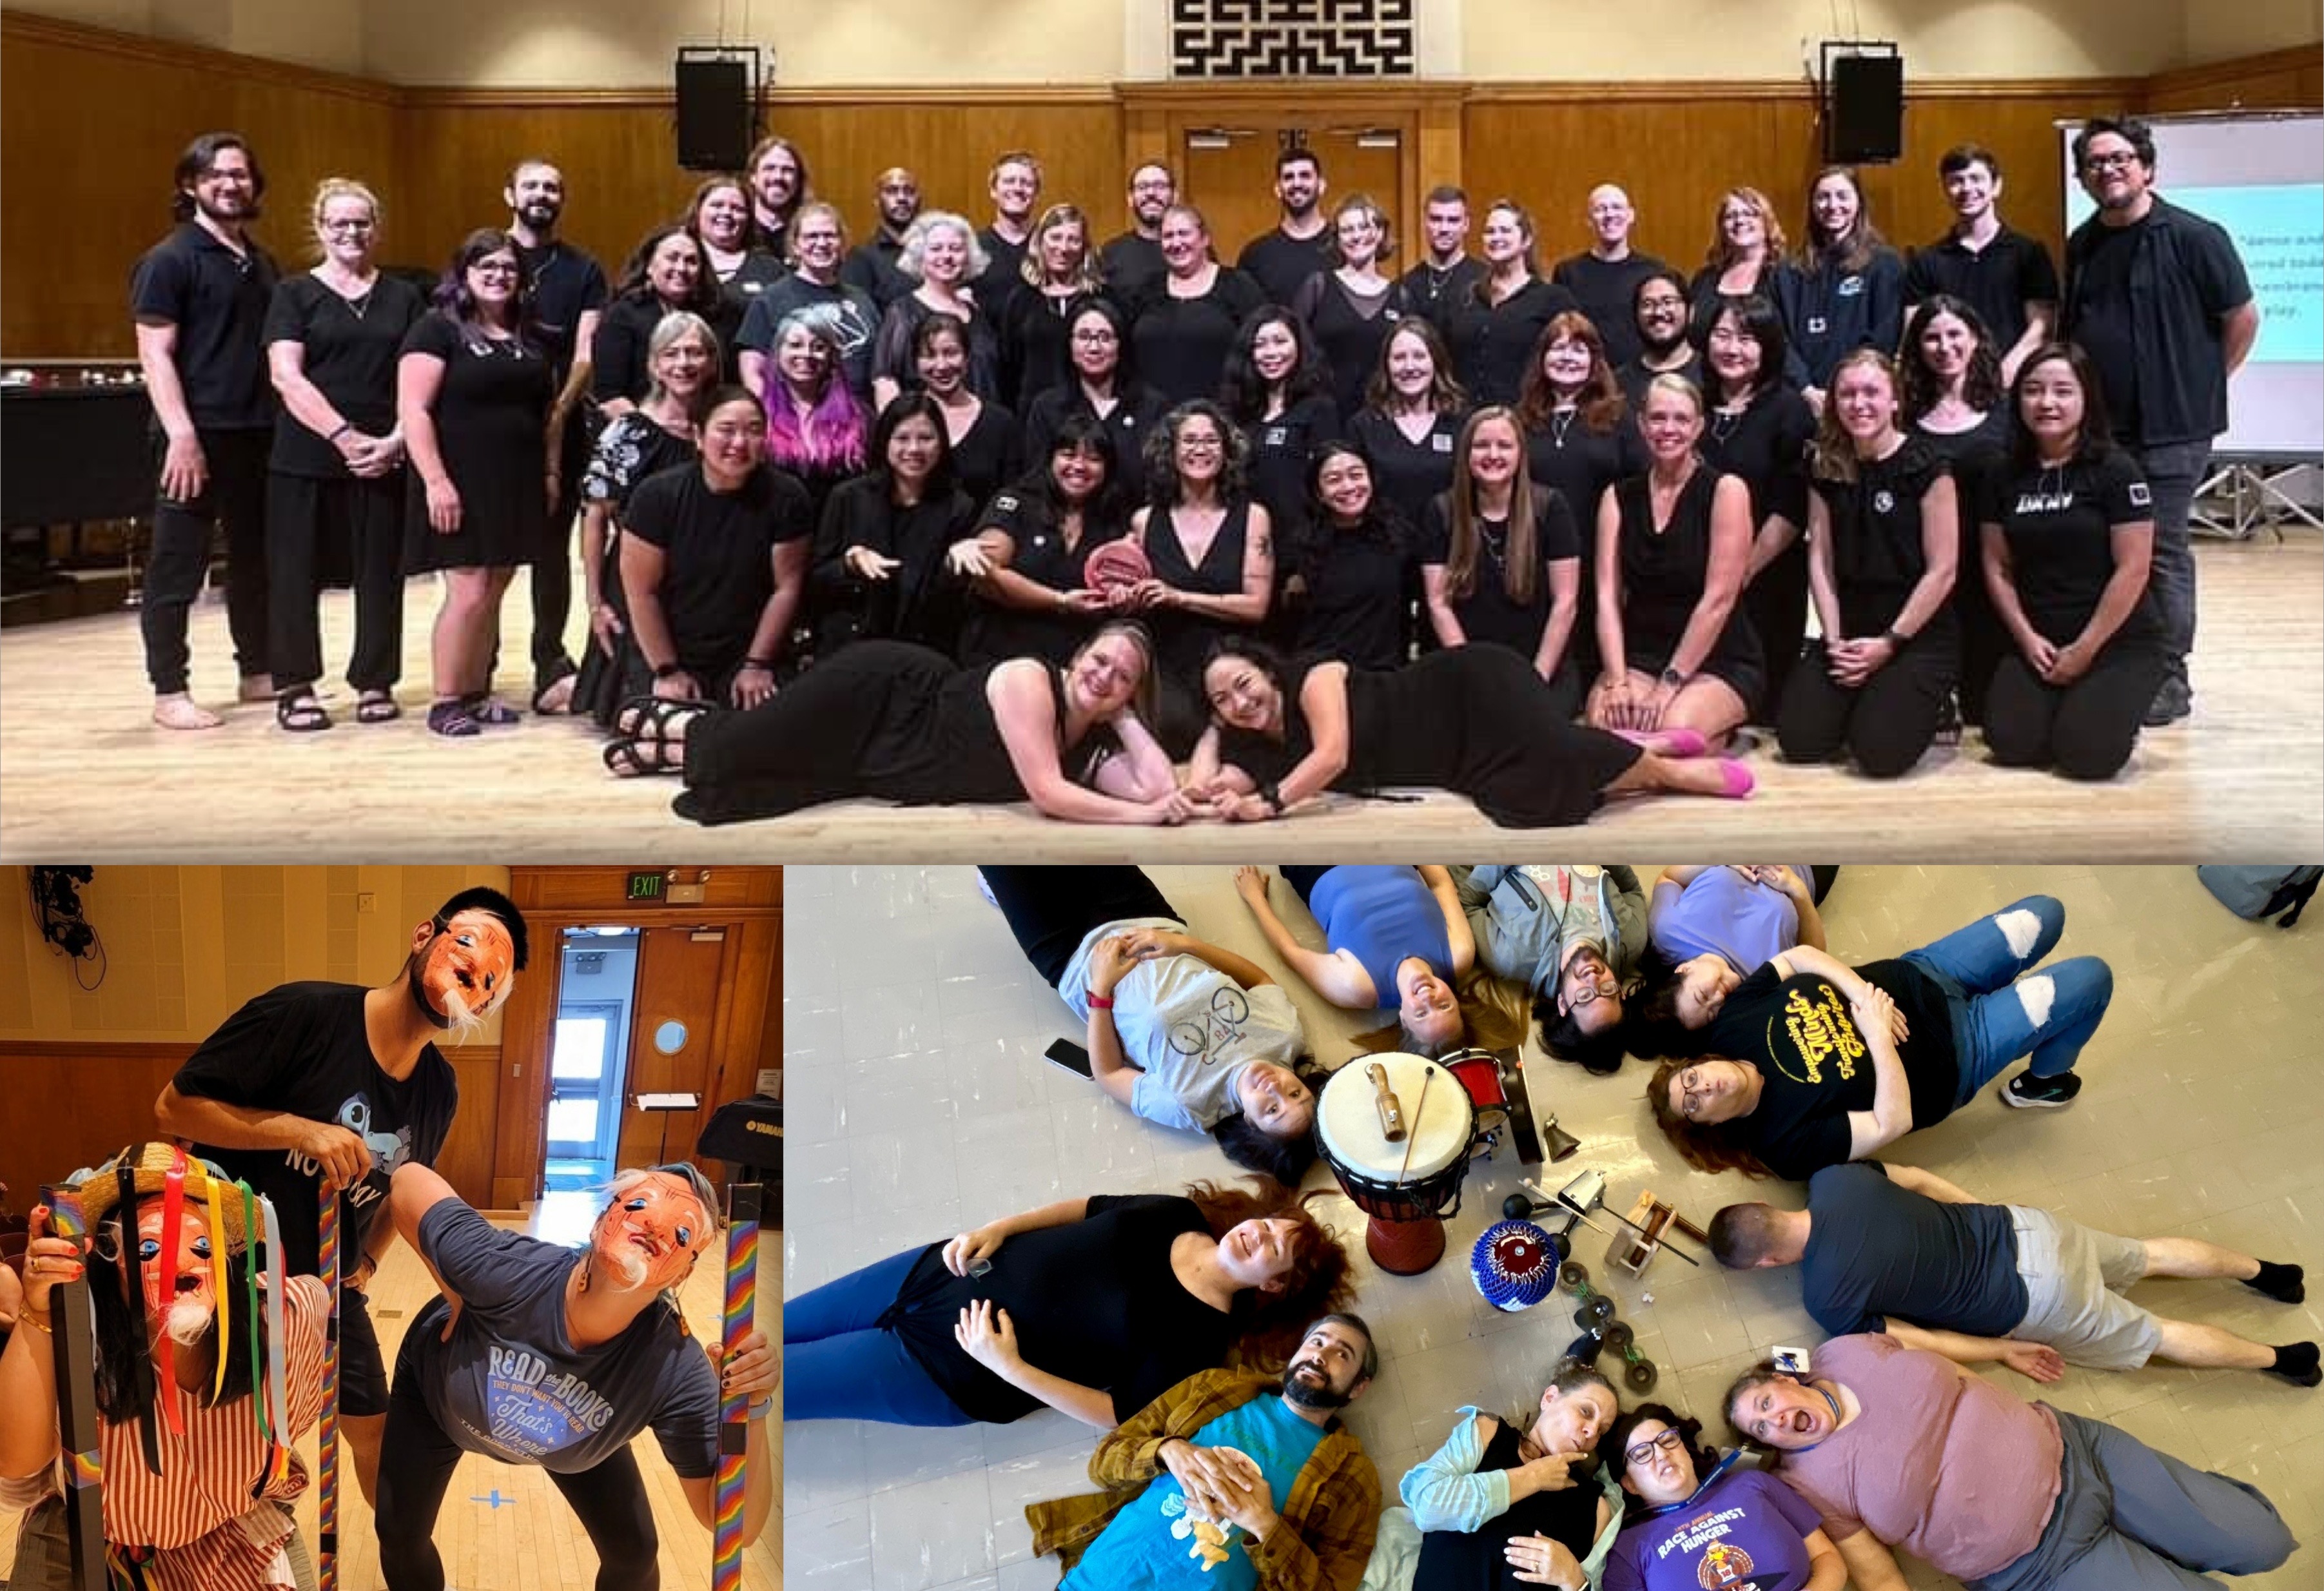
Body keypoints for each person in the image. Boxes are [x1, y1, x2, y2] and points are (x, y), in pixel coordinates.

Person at [150, 885, 527, 1508]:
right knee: (234, 1440)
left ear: (485, 1004)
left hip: (327, 1286)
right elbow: (173, 1108)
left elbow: (406, 1184)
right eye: (466, 942)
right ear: (423, 935)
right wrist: (301, 1131)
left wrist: (370, 1258)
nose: (474, 972)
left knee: (374, 1432)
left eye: (492, 978)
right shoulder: (306, 1013)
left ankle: (400, 1552)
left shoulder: (439, 1088)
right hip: (231, 1275)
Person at [377, 1160, 777, 1591]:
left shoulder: (673, 1367)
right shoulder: (509, 1271)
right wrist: (457, 1297)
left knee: (634, 1555)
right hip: (438, 1400)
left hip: (569, 1438)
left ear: (683, 1272)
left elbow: (734, 1525)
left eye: (681, 1232)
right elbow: (407, 1180)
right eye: (639, 1205)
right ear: (599, 1222)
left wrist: (753, 1408)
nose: (654, 1227)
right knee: (399, 1535)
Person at [1722, 1334, 2297, 1591]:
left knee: (2261, 1541)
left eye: (1766, 1404)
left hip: (2080, 1452)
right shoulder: (1806, 1481)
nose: (1775, 1422)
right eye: (1760, 1428)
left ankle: (2172, 1542)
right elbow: (1878, 1576)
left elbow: (1934, 1356)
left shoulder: (1844, 1351)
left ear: (1784, 1380)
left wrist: (1999, 1352)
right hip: (2040, 1562)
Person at [0, 1146, 328, 1590]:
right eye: (150, 1247)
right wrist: (38, 1312)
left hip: (232, 1530)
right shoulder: (80, 1337)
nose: (181, 1263)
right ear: (112, 1260)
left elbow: (313, 1305)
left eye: (201, 1245)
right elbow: (16, 1461)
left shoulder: (278, 1321)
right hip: (90, 1529)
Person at [786, 1182, 1352, 1429]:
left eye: (1275, 1248)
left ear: (1274, 1286)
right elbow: (1087, 1208)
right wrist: (998, 1228)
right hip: (936, 1271)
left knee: (773, 1379)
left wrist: (1009, 1367)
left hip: (949, 1368)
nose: (1257, 1233)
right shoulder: (1176, 1214)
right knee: (776, 1322)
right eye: (1267, 1224)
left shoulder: (1200, 1342)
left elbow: (1116, 1414)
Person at [1711, 1160, 2318, 1385]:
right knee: (2148, 1254)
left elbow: (1920, 1340)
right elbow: (1918, 1180)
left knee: (2157, 1333)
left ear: (1767, 1263)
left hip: (2030, 1300)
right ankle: (2269, 1271)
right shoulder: (1834, 1178)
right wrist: (1986, 1213)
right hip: (2027, 1229)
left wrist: (2001, 1352)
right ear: (1766, 1206)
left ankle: (2282, 1360)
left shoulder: (1826, 1300)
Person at [1646, 894, 2116, 1180]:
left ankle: (2005, 1002)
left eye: (1690, 1081)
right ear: (1711, 1125)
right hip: (1957, 1051)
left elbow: (1799, 958)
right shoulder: (1782, 1144)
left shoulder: (1732, 1025)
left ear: (1696, 1064)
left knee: (2044, 913)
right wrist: (1876, 1034)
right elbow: (1891, 1123)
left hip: (1922, 973)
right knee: (2090, 978)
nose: (1704, 1088)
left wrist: (1860, 993)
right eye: (1694, 1105)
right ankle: (2042, 1082)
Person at [2060, 114, 2258, 727]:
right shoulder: (2082, 243)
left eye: (2119, 158)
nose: (2108, 170)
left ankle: (2169, 674)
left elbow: (2241, 318)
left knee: (2162, 550)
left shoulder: (2196, 237)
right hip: (2101, 431)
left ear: (2146, 167)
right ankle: (2121, 659)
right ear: (2082, 178)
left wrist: (2201, 386)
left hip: (2174, 430)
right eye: (2095, 163)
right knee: (2108, 548)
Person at [605, 623, 1185, 826]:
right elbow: (1048, 794)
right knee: (739, 748)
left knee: (771, 783)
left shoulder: (1091, 737)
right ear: (1078, 655)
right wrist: (1145, 818)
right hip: (883, 695)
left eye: (1123, 677)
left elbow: (1158, 789)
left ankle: (676, 748)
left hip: (889, 764)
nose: (1104, 677)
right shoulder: (1029, 681)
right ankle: (685, 728)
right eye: (1099, 660)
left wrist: (1124, 715)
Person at [980, 865, 1325, 1177]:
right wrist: (1183, 944)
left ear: (1250, 1122)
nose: (1275, 1088)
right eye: (1295, 1092)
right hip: (1144, 917)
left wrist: (1100, 988)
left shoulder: (1191, 1106)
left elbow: (1109, 1074)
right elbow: (1261, 981)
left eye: (1272, 1109)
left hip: (1071, 954)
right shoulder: (1284, 1036)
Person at [1191, 639, 1751, 830]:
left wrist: (1268, 803)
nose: (1240, 703)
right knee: (1528, 799)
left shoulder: (1313, 679)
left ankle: (1669, 773)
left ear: (1267, 673)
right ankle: (1646, 749)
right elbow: (1210, 786)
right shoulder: (1259, 746)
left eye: (1243, 684)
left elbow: (1332, 756)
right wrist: (1211, 756)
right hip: (1455, 762)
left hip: (1467, 688)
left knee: (1555, 751)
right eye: (1222, 701)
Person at [1026, 1315, 1381, 1587]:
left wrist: (1266, 1526)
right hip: (1099, 1580)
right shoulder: (1214, 1387)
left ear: (1358, 1388)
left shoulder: (1354, 1479)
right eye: (1316, 1342)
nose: (1320, 1355)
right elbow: (1104, 1461)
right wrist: (1167, 1450)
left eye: (1342, 1354)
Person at [263, 176, 424, 732]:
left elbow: (419, 375)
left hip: (384, 453)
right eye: (339, 223)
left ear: (376, 229)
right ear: (320, 228)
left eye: (361, 222)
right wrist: (343, 436)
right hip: (305, 456)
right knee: (294, 574)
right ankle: (296, 686)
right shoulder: (293, 293)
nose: (351, 232)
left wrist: (397, 439)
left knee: (381, 574)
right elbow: (286, 375)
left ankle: (375, 681)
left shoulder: (404, 296)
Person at [132, 131, 280, 729]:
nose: (230, 184)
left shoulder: (260, 261)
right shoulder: (169, 260)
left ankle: (258, 671)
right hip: (196, 434)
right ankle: (169, 691)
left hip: (256, 430)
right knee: (178, 565)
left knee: (255, 559)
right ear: (190, 185)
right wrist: (182, 436)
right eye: (216, 174)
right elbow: (155, 355)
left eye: (240, 174)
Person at [1980, 343, 2166, 782]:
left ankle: (2102, 707)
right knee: (2010, 744)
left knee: (2087, 757)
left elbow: (2134, 569)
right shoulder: (2001, 473)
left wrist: (2085, 650)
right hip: (2040, 641)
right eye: (2033, 390)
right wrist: (2026, 638)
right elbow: (1997, 566)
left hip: (2115, 640)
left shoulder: (2116, 470)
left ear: (2086, 399)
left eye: (2062, 391)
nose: (2046, 402)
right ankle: (2073, 707)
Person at [397, 229, 556, 737]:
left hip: (515, 479)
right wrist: (436, 481)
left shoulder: (530, 335)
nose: (499, 276)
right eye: (487, 266)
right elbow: (414, 410)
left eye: (508, 268)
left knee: (495, 588)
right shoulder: (436, 329)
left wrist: (550, 472)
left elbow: (546, 414)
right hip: (459, 479)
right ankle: (446, 700)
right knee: (468, 590)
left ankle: (474, 691)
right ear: (464, 274)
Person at [1779, 349, 1959, 778]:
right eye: (1847, 394)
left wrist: (1889, 644)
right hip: (1850, 630)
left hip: (1913, 634)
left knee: (1879, 755)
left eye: (1871, 393)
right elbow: (1820, 558)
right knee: (1799, 742)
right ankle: (1866, 699)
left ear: (1894, 400)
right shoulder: (1825, 466)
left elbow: (1943, 570)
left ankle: (1934, 703)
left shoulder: (1927, 464)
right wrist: (1834, 641)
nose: (1858, 404)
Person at [608, 385, 807, 722]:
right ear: (699, 436)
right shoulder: (656, 496)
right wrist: (668, 670)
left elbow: (786, 588)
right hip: (671, 647)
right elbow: (642, 593)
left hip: (748, 650)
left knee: (770, 727)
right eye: (726, 430)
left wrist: (756, 664)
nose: (740, 443)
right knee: (662, 723)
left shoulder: (788, 496)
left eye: (754, 430)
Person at [1590, 375, 1760, 747]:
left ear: (1698, 427)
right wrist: (1617, 680)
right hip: (1642, 654)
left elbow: (1719, 600)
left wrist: (1668, 686)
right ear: (1642, 425)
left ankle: (1694, 747)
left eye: (1681, 419)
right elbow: (1606, 597)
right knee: (1606, 727)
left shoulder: (1726, 490)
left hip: (1717, 657)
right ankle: (1700, 758)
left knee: (1671, 728)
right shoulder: (1617, 497)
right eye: (1658, 418)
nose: (1669, 429)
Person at [568, 311, 713, 727]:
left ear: (711, 361)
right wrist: (595, 603)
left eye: (695, 353)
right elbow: (595, 517)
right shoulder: (628, 432)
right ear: (654, 365)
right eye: (672, 354)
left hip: (705, 580)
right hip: (638, 579)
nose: (684, 363)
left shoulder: (723, 426)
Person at [503, 157, 610, 714]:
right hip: (494, 428)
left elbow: (586, 351)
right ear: (510, 195)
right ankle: (477, 665)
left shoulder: (582, 268)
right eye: (531, 186)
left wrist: (557, 414)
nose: (541, 195)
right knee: (489, 553)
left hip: (562, 424)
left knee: (551, 551)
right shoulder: (486, 256)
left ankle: (548, 658)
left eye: (552, 187)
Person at [1128, 400, 1275, 753]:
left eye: (1211, 441)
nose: (1200, 449)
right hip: (1168, 676)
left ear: (1227, 451)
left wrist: (1179, 597)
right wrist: (1127, 597)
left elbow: (1256, 606)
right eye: (1190, 441)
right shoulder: (1144, 521)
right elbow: (1136, 598)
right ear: (1171, 451)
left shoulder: (1254, 517)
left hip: (1234, 678)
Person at [1401, 1360, 1625, 1591]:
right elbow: (1426, 1507)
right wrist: (1532, 1477)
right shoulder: (1490, 1435)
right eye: (1586, 1411)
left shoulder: (1592, 1508)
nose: (1591, 1432)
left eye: (1601, 1430)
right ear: (1549, 1398)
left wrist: (1574, 1581)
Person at [1697, 296, 1815, 718]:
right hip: (1696, 576)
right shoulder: (1692, 405)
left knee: (1765, 707)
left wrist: (1739, 572)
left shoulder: (1789, 410)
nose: (1732, 348)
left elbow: (1791, 506)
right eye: (1722, 335)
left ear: (1768, 346)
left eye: (1746, 339)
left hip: (1765, 577)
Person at [1423, 405, 1584, 712]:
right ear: (1466, 454)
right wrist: (1473, 677)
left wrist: (1536, 680)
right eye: (1482, 445)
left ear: (1520, 453)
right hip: (1466, 669)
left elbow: (1566, 603)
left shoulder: (1551, 507)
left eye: (1504, 446)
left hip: (1542, 668)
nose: (1493, 454)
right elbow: (1438, 603)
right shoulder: (1441, 511)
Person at [1902, 294, 2013, 726]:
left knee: (1984, 712)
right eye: (1932, 338)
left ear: (1975, 339)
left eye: (1954, 335)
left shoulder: (2006, 409)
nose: (1944, 347)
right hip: (1923, 569)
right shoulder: (1902, 412)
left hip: (1990, 569)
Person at [952, 415, 1133, 666]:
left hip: (1072, 664)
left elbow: (1118, 593)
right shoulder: (1016, 502)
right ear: (1050, 459)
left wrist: (1122, 599)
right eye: (1068, 455)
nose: (1079, 466)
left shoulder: (1114, 521)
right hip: (1000, 655)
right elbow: (987, 575)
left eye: (1093, 459)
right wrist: (1060, 600)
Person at [1233, 864, 1476, 1052]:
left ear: (1403, 1019)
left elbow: (1291, 953)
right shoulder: (1459, 955)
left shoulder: (1357, 987)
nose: (1429, 998)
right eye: (1444, 1006)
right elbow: (1441, 885)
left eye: (1421, 1014)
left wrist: (1255, 898)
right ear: (1456, 1001)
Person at [1601, 1405, 1842, 1591]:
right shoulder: (1628, 1549)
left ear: (1686, 1449)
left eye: (1668, 1440)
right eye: (1643, 1453)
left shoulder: (1753, 1485)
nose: (1662, 1454)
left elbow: (1827, 1557)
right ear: (1629, 1484)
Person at [1517, 312, 1637, 681]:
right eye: (1558, 348)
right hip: (1535, 561)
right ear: (1541, 358)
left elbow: (1639, 490)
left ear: (1595, 360)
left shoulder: (1620, 417)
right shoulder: (1520, 419)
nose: (1567, 357)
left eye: (1579, 349)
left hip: (1602, 557)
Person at [808, 391, 974, 657]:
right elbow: (815, 581)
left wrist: (954, 564)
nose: (914, 449)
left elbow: (953, 601)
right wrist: (849, 564)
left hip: (924, 649)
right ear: (885, 441)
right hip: (850, 646)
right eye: (902, 438)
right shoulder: (848, 497)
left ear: (942, 443)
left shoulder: (959, 506)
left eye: (926, 438)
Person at [1453, 864, 1650, 1074]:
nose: (1594, 980)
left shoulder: (1510, 956)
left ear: (1563, 1003)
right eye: (1608, 991)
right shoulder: (1631, 939)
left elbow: (1468, 904)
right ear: (1620, 989)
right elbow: (1631, 889)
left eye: (1585, 996)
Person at [1904, 143, 2059, 386]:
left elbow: (2042, 329)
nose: (1967, 188)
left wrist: (2001, 377)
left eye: (1976, 179)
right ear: (1946, 190)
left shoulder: (2029, 253)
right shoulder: (1926, 262)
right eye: (1956, 181)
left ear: (1996, 187)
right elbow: (1916, 330)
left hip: (2012, 385)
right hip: (1949, 387)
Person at [1222, 307, 1340, 605]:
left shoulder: (1318, 409)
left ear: (1299, 346)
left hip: (1297, 558)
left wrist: (1306, 563)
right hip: (1242, 553)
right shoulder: (1237, 414)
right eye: (1260, 345)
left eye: (1280, 341)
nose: (1271, 353)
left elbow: (1327, 489)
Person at [1631, 864, 1822, 1042]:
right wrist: (1798, 890)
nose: (1719, 999)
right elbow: (1815, 956)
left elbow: (1669, 878)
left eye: (1703, 995)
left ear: (1685, 969)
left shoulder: (1667, 931)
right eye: (1712, 1013)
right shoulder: (1759, 985)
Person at [1778, 168, 1904, 407]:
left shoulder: (1885, 265)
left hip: (1859, 398)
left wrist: (1846, 390)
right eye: (1823, 197)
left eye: (1842, 196)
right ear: (1812, 205)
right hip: (1803, 399)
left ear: (1859, 202)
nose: (1832, 205)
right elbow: (1780, 340)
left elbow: (1884, 338)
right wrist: (1806, 388)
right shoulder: (1789, 271)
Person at [734, 199, 881, 404]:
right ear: (796, 246)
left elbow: (880, 369)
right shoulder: (770, 299)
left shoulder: (862, 299)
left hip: (859, 414)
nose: (821, 243)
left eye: (830, 235)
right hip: (794, 416)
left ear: (842, 243)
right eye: (812, 236)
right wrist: (771, 415)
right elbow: (752, 371)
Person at [1291, 441, 1421, 669]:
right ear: (1319, 493)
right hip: (1322, 672)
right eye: (1334, 480)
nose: (1349, 487)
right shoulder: (1302, 545)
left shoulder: (1399, 537)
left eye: (1356, 475)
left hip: (1385, 672)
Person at [1129, 204, 1269, 405]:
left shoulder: (1238, 286)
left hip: (1220, 414)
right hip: (1154, 416)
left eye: (1184, 233)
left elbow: (1263, 346)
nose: (1176, 243)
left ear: (1205, 239)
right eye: (1168, 236)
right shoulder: (1147, 290)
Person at [1289, 193, 1409, 421]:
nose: (1356, 236)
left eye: (1364, 227)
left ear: (1380, 233)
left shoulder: (1402, 297)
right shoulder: (1318, 287)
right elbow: (1296, 352)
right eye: (1347, 230)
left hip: (1382, 419)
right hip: (1325, 416)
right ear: (1337, 239)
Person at [1450, 200, 1581, 407]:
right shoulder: (1464, 299)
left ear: (1526, 240)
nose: (1496, 237)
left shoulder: (1553, 300)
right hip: (1466, 419)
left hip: (1526, 417)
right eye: (1490, 231)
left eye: (1505, 231)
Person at [1350, 317, 1470, 540]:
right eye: (1399, 358)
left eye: (1419, 356)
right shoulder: (1364, 426)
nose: (1409, 367)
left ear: (1436, 361)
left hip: (1449, 547)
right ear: (1386, 365)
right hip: (1383, 548)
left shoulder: (1462, 422)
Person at [592, 225, 730, 415]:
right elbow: (610, 397)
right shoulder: (622, 315)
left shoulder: (715, 315)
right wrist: (652, 430)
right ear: (649, 266)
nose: (682, 268)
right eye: (672, 258)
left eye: (691, 261)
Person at [872, 210, 1000, 410]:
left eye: (955, 249)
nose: (946, 256)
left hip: (982, 422)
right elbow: (886, 380)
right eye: (936, 249)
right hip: (927, 426)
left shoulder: (976, 312)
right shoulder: (903, 312)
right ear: (920, 256)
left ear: (967, 257)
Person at [755, 308, 870, 525]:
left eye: (818, 347)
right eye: (795, 345)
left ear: (831, 358)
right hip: (776, 532)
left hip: (841, 532)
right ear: (778, 353)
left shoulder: (860, 416)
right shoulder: (757, 414)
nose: (807, 354)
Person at [1022, 295, 1166, 467]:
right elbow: (1038, 475)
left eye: (1105, 337)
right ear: (1070, 344)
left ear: (1121, 345)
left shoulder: (1152, 407)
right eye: (1084, 337)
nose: (1094, 348)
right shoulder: (1047, 409)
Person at [997, 201, 1102, 415]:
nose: (1063, 248)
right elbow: (1008, 368)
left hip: (1090, 413)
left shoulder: (1101, 298)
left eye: (1073, 240)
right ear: (1040, 242)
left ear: (1084, 246)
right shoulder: (1021, 300)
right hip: (1031, 414)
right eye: (1055, 238)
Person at [1553, 185, 1671, 371]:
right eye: (1600, 209)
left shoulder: (1654, 271)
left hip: (1641, 375)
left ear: (1631, 216)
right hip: (1586, 376)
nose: (1609, 215)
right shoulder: (1568, 272)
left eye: (1617, 207)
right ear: (1589, 220)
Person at [915, 311, 1024, 507]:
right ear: (915, 362)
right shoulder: (904, 419)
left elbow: (1014, 494)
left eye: (951, 353)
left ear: (967, 358)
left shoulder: (1001, 423)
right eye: (930, 355)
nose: (941, 366)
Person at [1688, 187, 1792, 340]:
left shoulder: (1786, 276)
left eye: (1750, 214)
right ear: (1721, 228)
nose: (1740, 221)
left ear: (1767, 223)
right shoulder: (1704, 278)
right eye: (1730, 216)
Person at [1238, 146, 1336, 306]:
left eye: (1305, 176)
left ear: (1322, 186)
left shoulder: (1344, 247)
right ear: (1278, 189)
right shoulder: (1256, 255)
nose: (1297, 183)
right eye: (1289, 177)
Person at [684, 172, 786, 312]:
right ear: (698, 211)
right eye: (717, 205)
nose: (727, 213)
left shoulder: (769, 269)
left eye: (737, 209)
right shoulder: (678, 258)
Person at [1400, 184, 1485, 340]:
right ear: (1425, 222)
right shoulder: (1405, 285)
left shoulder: (1485, 281)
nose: (1444, 229)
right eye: (1436, 219)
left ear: (1466, 225)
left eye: (1453, 220)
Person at [1616, 269, 1701, 407]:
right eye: (1648, 304)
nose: (1658, 312)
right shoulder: (1618, 384)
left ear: (1691, 312)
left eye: (1668, 302)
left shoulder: (1711, 375)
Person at [840, 164, 921, 310]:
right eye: (892, 191)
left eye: (909, 191)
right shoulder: (861, 257)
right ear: (877, 201)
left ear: (919, 200)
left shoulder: (934, 252)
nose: (902, 198)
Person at [971, 149, 1043, 307]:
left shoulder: (1052, 246)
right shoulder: (974, 247)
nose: (1018, 189)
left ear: (1037, 193)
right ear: (993, 191)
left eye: (1026, 183)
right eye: (1009, 181)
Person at [1100, 159, 1177, 297]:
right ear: (1130, 199)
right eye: (1142, 187)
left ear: (1175, 197)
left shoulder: (1192, 249)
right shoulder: (1110, 253)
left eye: (1160, 186)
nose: (1151, 193)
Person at [743, 133, 807, 264]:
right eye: (769, 168)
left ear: (799, 180)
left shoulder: (809, 230)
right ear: (753, 176)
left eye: (788, 170)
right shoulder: (738, 228)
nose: (778, 177)